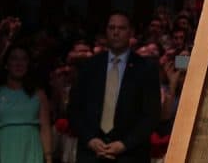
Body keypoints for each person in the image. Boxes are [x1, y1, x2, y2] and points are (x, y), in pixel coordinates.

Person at [68, 12, 160, 163]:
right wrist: (90, 139)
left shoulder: (146, 69)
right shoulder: (89, 66)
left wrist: (124, 144)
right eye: (111, 28)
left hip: (130, 155)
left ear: (131, 32)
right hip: (91, 154)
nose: (116, 32)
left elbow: (151, 115)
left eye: (121, 28)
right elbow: (74, 110)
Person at [0, 44, 53, 163]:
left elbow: (45, 129)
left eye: (24, 59)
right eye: (14, 58)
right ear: (6, 64)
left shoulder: (39, 94)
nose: (19, 63)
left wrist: (48, 158)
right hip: (2, 151)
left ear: (28, 64)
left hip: (31, 151)